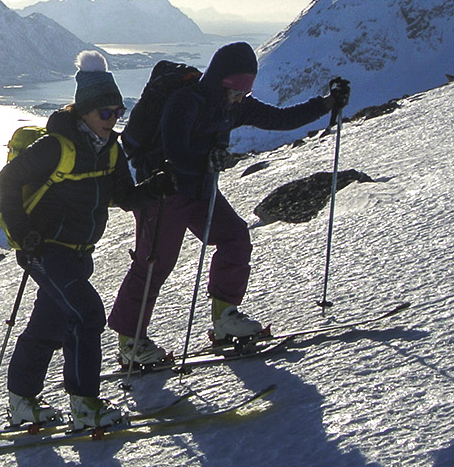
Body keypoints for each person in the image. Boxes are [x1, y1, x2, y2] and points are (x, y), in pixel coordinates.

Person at [107, 42, 348, 366]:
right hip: (166, 192)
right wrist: (205, 158)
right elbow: (174, 151)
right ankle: (130, 340)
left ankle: (225, 317)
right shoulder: (186, 101)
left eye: (244, 91)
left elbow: (281, 118)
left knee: (235, 236)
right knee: (154, 262)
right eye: (235, 90)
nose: (239, 98)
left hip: (202, 190)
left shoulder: (233, 106)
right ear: (220, 79)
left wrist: (329, 102)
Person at [0, 51, 170, 430]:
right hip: (45, 249)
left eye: (117, 112)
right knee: (88, 315)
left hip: (78, 253)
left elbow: (123, 196)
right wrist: (22, 231)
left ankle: (22, 401)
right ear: (86, 112)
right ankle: (85, 405)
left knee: (51, 324)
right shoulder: (57, 147)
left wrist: (154, 188)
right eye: (105, 113)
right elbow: (7, 180)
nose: (112, 119)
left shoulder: (109, 149)